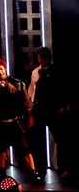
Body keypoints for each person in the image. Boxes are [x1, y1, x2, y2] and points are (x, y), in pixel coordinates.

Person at [0, 58, 41, 182]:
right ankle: (1, 173)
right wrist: (4, 84)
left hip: (15, 122)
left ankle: (33, 172)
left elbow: (27, 102)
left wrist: (30, 116)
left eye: (1, 68)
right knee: (1, 149)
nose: (0, 71)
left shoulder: (18, 84)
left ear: (5, 68)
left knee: (25, 148)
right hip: (0, 123)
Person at [29, 47, 68, 177]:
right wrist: (31, 107)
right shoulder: (35, 72)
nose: (42, 60)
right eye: (40, 57)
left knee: (60, 139)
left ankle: (63, 168)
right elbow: (32, 90)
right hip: (39, 109)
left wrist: (62, 106)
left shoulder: (56, 71)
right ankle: (41, 169)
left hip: (52, 109)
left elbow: (62, 89)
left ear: (48, 58)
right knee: (38, 141)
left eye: (44, 58)